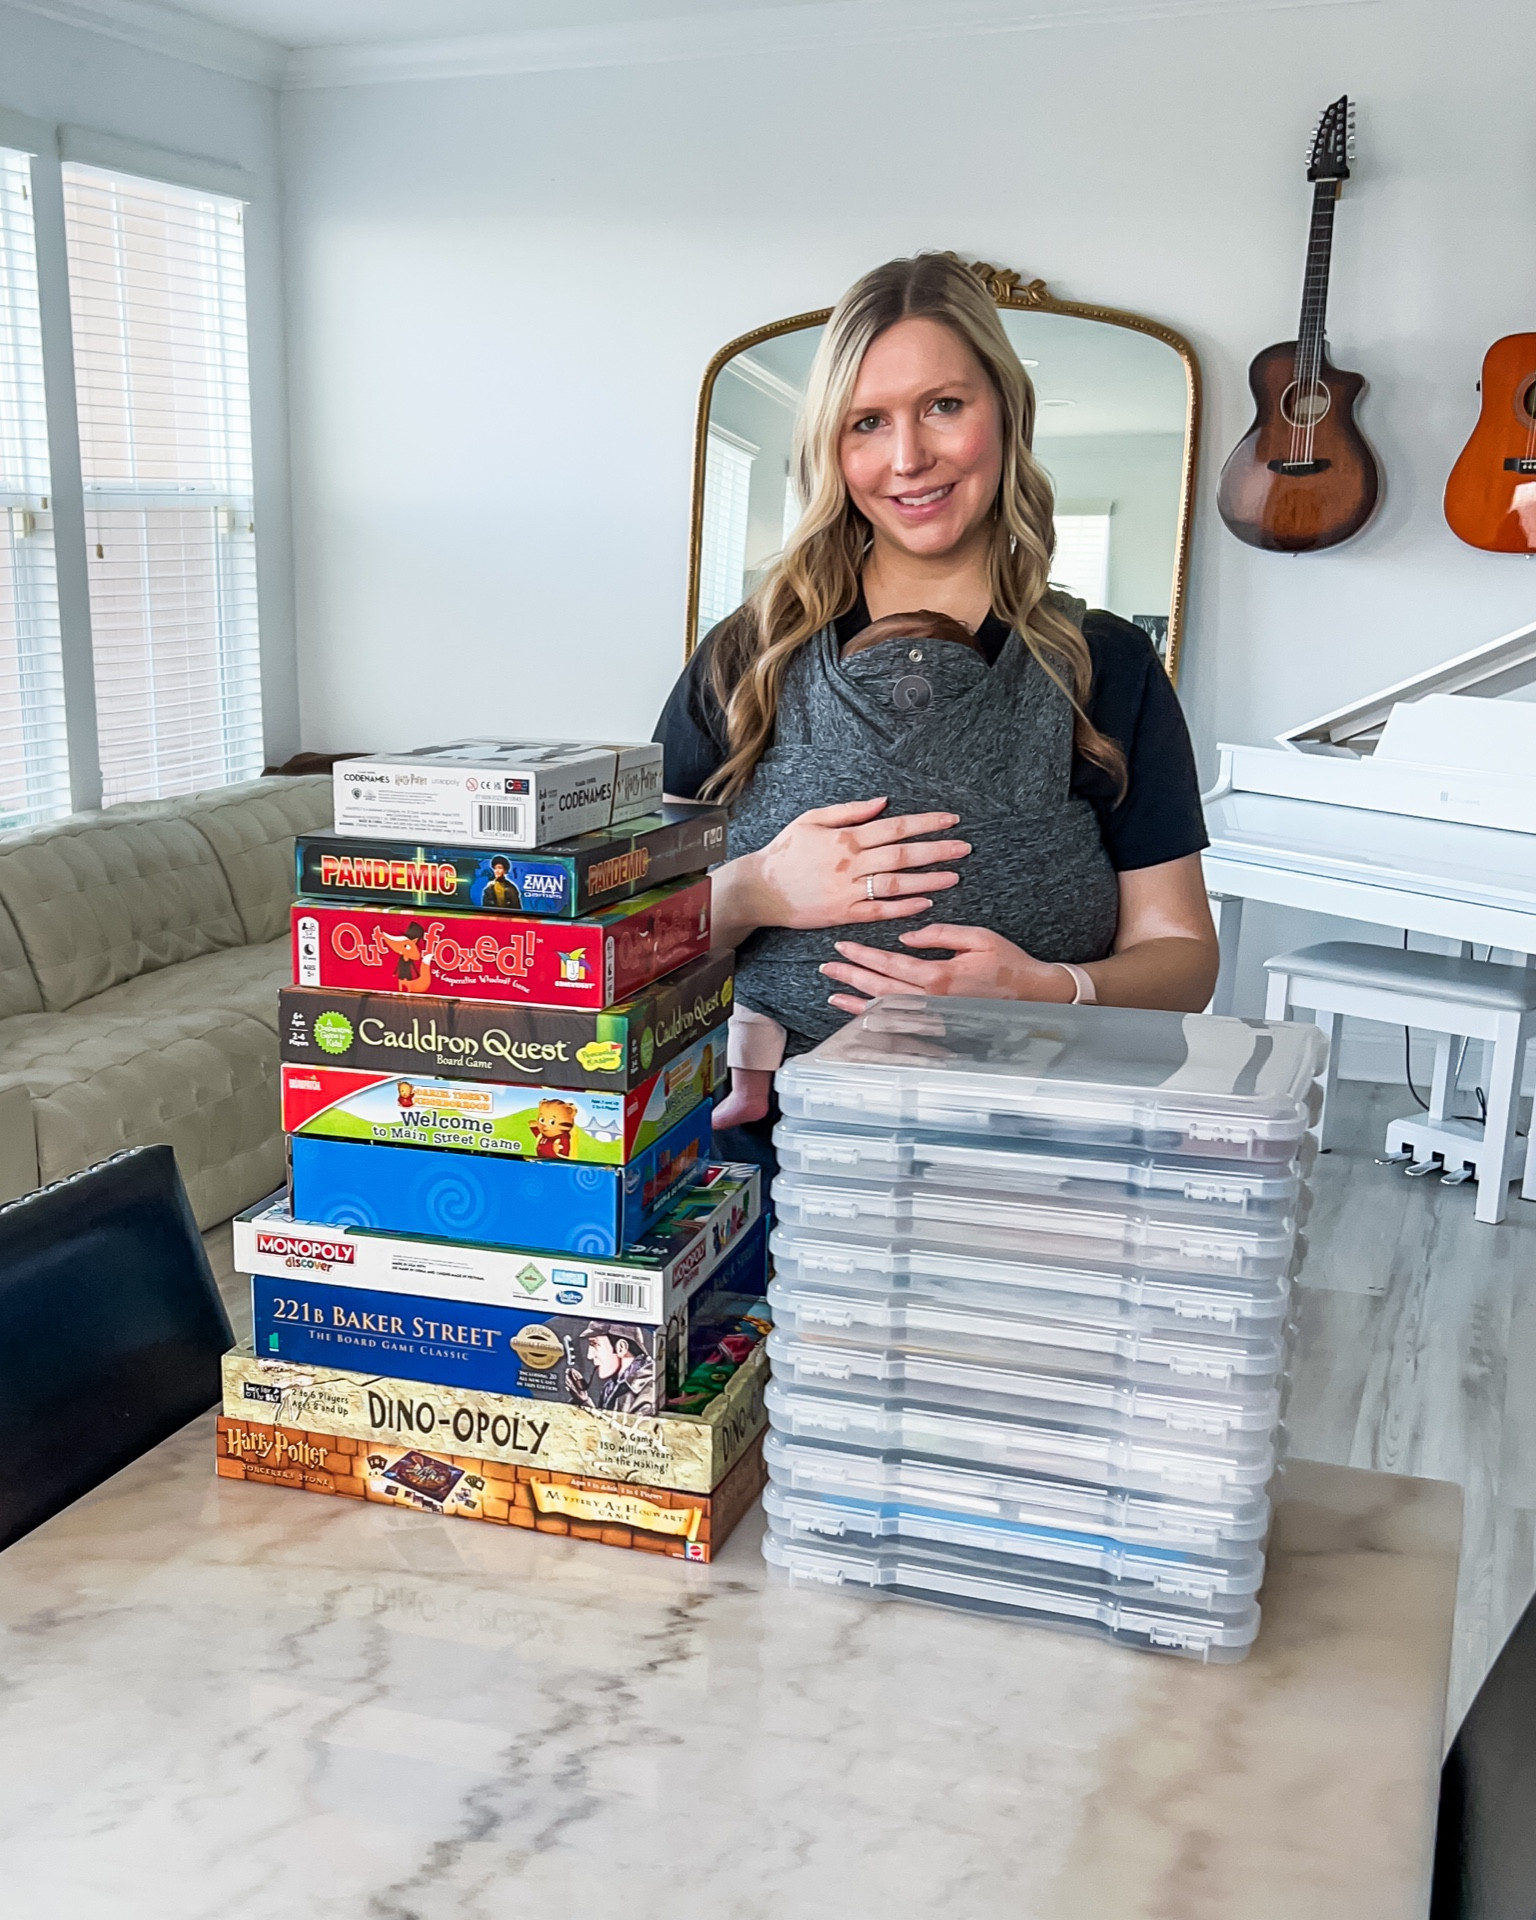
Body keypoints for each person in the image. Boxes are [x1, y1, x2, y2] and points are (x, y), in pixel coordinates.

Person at [654, 251, 1217, 1160]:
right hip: (762, 1161)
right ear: (832, 448)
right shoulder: (744, 657)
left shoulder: (1104, 664)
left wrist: (1046, 989)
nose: (909, 458)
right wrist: (756, 888)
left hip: (1027, 1161)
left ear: (1005, 410)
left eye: (943, 406)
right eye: (867, 421)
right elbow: (630, 940)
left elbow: (1184, 958)